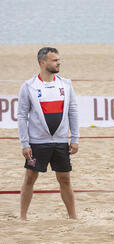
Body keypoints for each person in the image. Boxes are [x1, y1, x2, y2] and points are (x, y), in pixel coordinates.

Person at [16, 47, 80, 220]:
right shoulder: (29, 86)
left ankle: (73, 217)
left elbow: (73, 111)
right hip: (37, 142)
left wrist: (74, 138)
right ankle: (22, 217)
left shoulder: (66, 84)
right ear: (42, 63)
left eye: (59, 59)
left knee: (65, 178)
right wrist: (25, 143)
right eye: (54, 60)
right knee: (30, 177)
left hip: (60, 141)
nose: (59, 62)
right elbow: (22, 115)